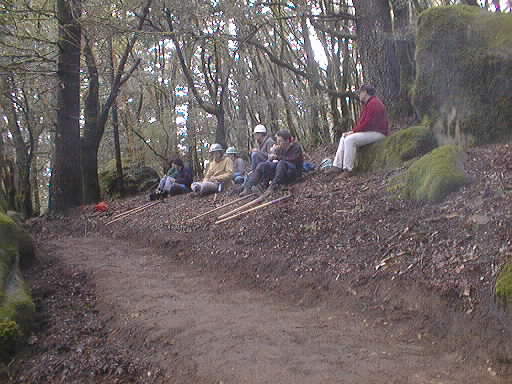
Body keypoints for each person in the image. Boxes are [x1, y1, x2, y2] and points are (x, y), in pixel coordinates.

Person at [328, 84, 390, 177]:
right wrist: (353, 131)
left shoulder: (374, 103)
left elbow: (368, 123)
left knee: (350, 140)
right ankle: (337, 166)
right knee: (344, 137)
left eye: (360, 92)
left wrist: (354, 132)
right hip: (372, 131)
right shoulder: (368, 104)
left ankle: (348, 169)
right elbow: (363, 123)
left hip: (379, 133)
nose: (359, 95)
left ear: (365, 92)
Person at [240, 129, 303, 197]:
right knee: (263, 165)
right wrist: (273, 154)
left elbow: (292, 160)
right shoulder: (280, 148)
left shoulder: (296, 147)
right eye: (277, 140)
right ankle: (249, 187)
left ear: (287, 140)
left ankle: (272, 187)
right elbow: (274, 161)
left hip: (293, 173)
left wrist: (277, 157)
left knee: (281, 163)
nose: (278, 143)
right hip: (282, 173)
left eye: (280, 141)